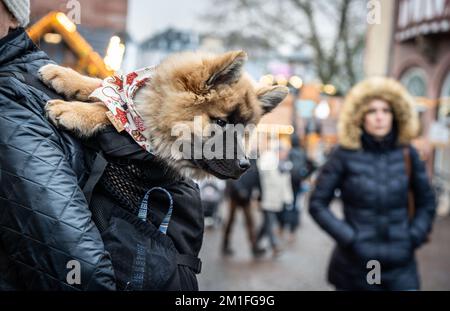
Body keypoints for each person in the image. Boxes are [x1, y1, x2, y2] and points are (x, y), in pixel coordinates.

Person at [309, 77, 436, 291]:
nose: (379, 117)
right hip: (357, 266)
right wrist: (350, 238)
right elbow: (317, 203)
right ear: (360, 116)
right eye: (372, 111)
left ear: (395, 115)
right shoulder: (344, 155)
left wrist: (413, 237)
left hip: (400, 267)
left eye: (386, 110)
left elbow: (427, 202)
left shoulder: (408, 154)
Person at [255, 146, 294, 257]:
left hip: (277, 200)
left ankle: (255, 242)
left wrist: (288, 199)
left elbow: (286, 184)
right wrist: (269, 156)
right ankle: (275, 246)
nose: (285, 154)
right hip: (267, 199)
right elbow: (261, 168)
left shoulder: (285, 166)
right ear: (278, 152)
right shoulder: (269, 162)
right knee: (271, 223)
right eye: (283, 152)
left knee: (265, 224)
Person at [222, 159, 265, 257]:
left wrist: (260, 196)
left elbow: (258, 182)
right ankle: (225, 244)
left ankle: (254, 247)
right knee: (230, 221)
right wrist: (240, 190)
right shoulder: (240, 162)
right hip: (235, 197)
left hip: (246, 198)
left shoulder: (255, 167)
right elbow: (232, 178)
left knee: (250, 222)